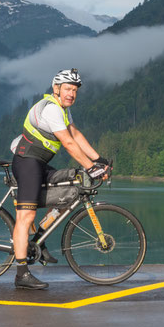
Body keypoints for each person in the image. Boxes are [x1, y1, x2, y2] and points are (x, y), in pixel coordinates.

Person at [10, 68, 110, 290]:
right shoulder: (52, 110)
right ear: (56, 89)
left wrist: (99, 159)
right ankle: (21, 274)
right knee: (26, 215)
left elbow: (76, 135)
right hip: (27, 162)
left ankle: (38, 239)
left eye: (74, 90)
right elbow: (68, 143)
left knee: (68, 192)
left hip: (39, 163)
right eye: (67, 89)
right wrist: (91, 168)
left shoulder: (64, 110)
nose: (71, 94)